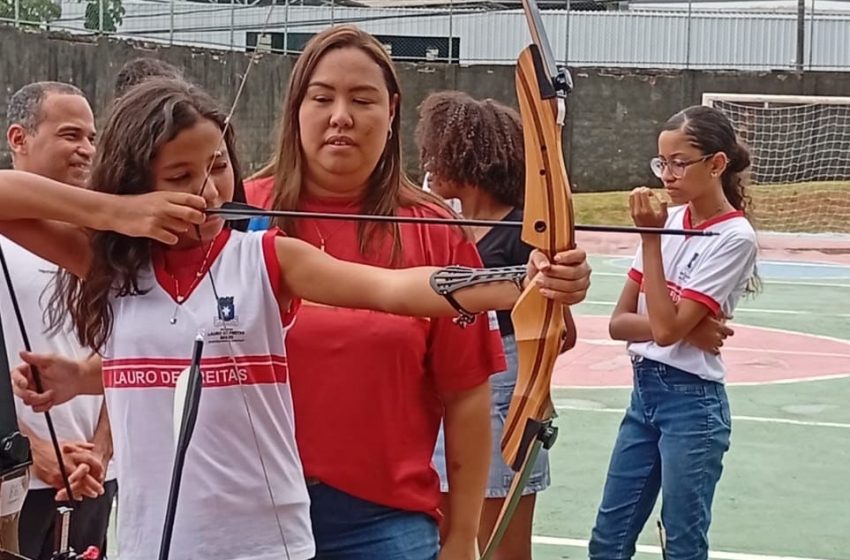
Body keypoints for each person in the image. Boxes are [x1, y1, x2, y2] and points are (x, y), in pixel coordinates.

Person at [7, 77, 589, 560]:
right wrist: (116, 213)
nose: (208, 192)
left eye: (216, 168)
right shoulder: (112, 266)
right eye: (179, 178)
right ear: (139, 185)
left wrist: (524, 282)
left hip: (266, 542)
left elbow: (393, 288)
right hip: (151, 539)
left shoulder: (264, 256)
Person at [243, 25, 590, 559]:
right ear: (296, 108)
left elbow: (467, 392)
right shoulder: (237, 215)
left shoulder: (430, 227)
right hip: (243, 511)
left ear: (392, 112)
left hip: (382, 521)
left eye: (363, 99)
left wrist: (460, 536)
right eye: (322, 97)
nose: (341, 116)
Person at [588, 105, 758, 559]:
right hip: (644, 394)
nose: (667, 174)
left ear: (716, 164)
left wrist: (650, 239)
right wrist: (688, 328)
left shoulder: (733, 237)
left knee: (682, 541)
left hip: (692, 404)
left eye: (680, 162)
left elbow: (663, 330)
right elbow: (618, 321)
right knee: (609, 539)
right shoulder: (673, 222)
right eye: (662, 162)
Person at [415, 90, 574, 559]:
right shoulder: (443, 225)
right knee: (445, 537)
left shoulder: (526, 231)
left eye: (435, 154)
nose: (428, 165)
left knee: (500, 543)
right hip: (446, 390)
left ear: (465, 159)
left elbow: (560, 333)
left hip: (503, 393)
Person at [1, 81, 117, 560]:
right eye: (70, 135)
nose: (86, 149)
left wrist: (102, 451)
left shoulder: (107, 246)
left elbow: (130, 353)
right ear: (19, 139)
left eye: (92, 137)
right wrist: (35, 453)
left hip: (93, 479)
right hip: (15, 480)